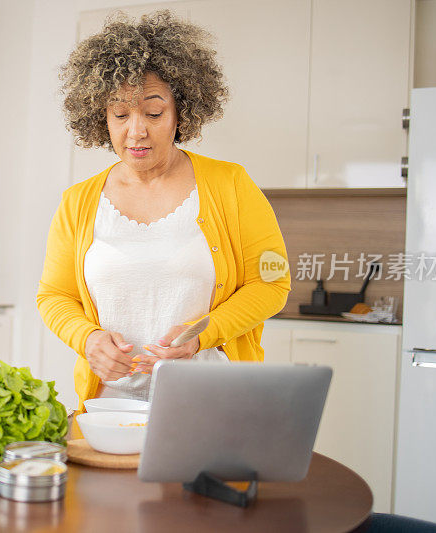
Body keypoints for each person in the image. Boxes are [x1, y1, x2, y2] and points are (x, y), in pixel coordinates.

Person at [37, 11, 290, 411]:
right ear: (101, 117)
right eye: (120, 114)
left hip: (210, 404)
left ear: (180, 112)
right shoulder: (77, 202)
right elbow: (54, 295)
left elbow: (273, 283)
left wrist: (204, 333)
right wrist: (87, 339)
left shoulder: (231, 185)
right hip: (109, 409)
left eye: (153, 113)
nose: (135, 131)